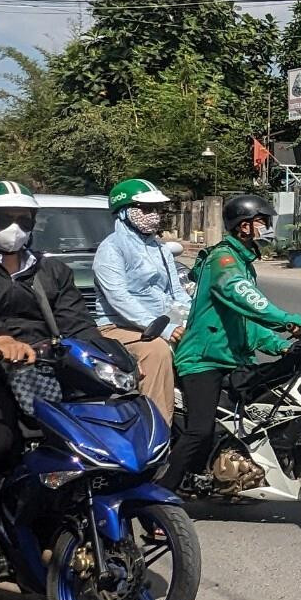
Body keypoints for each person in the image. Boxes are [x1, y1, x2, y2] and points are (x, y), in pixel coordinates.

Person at [0, 181, 120, 576]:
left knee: (84, 443)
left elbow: (77, 323)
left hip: (42, 373)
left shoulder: (51, 269)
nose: (17, 226)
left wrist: (107, 361)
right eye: (6, 218)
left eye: (25, 219)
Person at [169, 193, 301, 493]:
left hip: (233, 359)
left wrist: (282, 345)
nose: (266, 227)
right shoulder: (223, 260)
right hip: (204, 359)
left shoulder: (243, 263)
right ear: (243, 226)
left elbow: (246, 324)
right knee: (200, 429)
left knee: (265, 413)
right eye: (261, 221)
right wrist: (290, 321)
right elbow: (247, 301)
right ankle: (160, 495)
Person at [92, 177, 189, 421]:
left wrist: (193, 317)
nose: (154, 215)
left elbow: (176, 292)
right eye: (146, 209)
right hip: (119, 326)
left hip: (163, 322)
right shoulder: (111, 248)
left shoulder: (160, 248)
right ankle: (159, 428)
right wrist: (164, 328)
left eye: (156, 209)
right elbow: (119, 299)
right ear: (124, 213)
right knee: (156, 352)